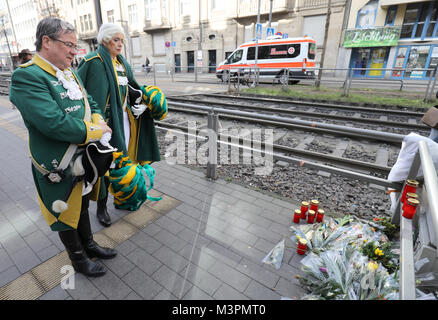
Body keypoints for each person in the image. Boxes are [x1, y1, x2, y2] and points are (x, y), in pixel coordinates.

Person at [9, 17, 117, 277]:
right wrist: (95, 131)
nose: (74, 51)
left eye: (75, 45)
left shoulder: (67, 72)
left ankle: (89, 245)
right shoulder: (27, 76)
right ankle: (78, 259)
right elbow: (53, 123)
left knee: (80, 204)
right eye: (69, 44)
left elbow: (88, 100)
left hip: (81, 157)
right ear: (46, 42)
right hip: (57, 162)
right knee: (64, 211)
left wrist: (98, 119)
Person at [77, 23, 167, 227]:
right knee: (104, 166)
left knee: (121, 163)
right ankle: (101, 208)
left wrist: (146, 103)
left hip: (125, 123)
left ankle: (122, 197)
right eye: (116, 40)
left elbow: (134, 89)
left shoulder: (122, 64)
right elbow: (78, 93)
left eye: (121, 40)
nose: (120, 44)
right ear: (105, 40)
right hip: (104, 126)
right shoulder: (92, 61)